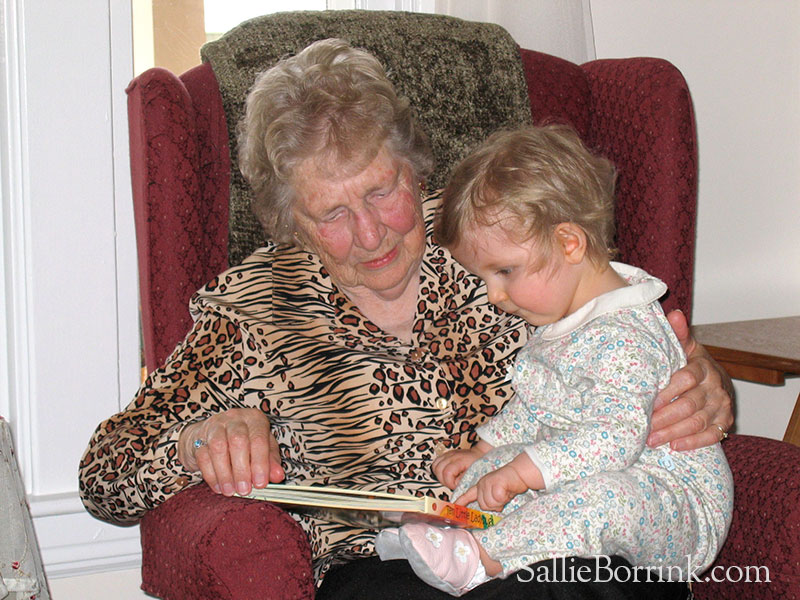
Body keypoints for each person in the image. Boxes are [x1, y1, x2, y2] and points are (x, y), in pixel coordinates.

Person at [78, 38, 733, 598]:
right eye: (332, 214)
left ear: (414, 169)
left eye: (381, 191)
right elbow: (106, 473)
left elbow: (623, 322)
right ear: (288, 220)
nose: (369, 234)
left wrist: (702, 383)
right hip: (383, 565)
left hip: (566, 540)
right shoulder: (255, 309)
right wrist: (199, 439)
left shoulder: (495, 234)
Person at [374, 125, 734, 596]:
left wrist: (522, 470)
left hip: (674, 503)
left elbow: (613, 439)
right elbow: (536, 406)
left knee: (594, 497)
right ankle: (457, 523)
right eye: (485, 278)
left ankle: (484, 557)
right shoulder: (564, 321)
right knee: (504, 465)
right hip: (617, 474)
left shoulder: (624, 335)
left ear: (569, 243)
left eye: (505, 271)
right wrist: (483, 453)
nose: (494, 294)